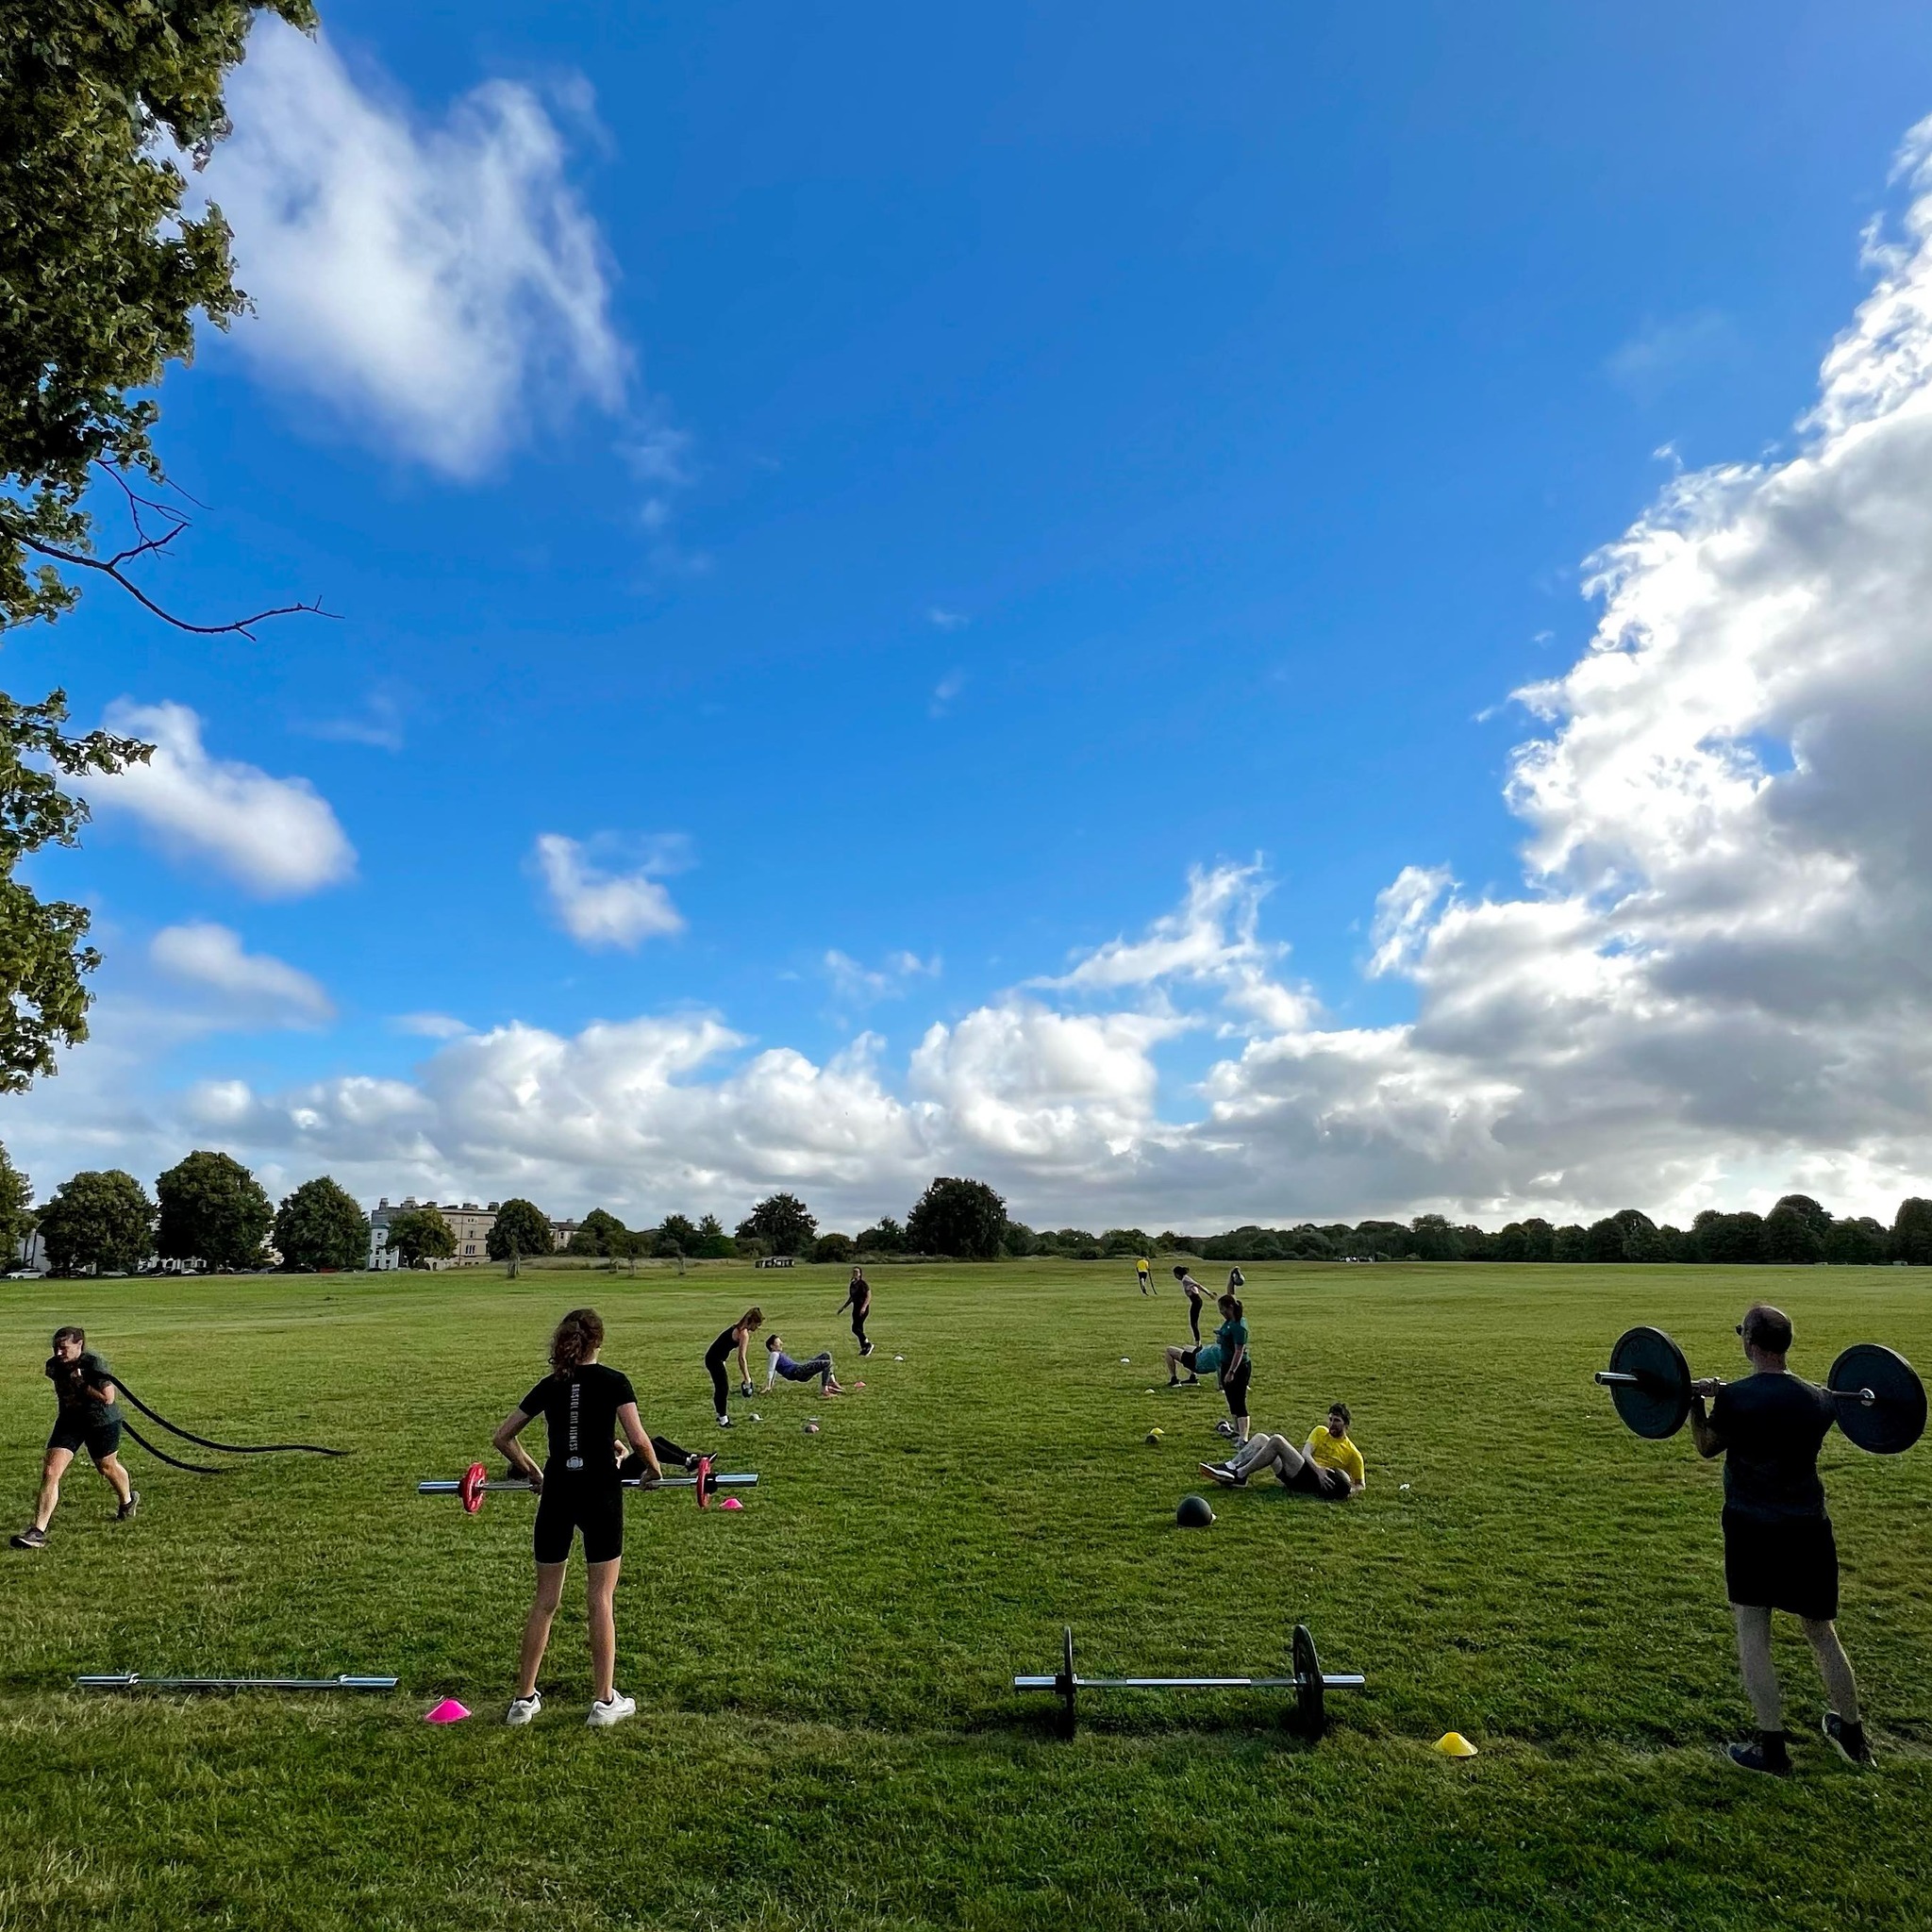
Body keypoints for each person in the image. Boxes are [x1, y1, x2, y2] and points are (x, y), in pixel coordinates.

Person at [1687, 1303, 1874, 1774]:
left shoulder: (1737, 1398)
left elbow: (1707, 1446)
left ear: (1749, 1342)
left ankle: (1772, 1751)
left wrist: (1695, 1402)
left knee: (1753, 1629)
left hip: (1752, 1528)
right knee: (1820, 1631)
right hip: (1809, 1528)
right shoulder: (1821, 1399)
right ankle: (1853, 1736)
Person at [493, 1308, 661, 1728]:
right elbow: (639, 1438)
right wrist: (653, 1468)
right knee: (600, 1598)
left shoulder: (553, 1384)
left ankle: (523, 1701)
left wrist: (535, 1471)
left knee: (545, 1601)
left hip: (559, 1493)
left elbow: (503, 1436)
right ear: (599, 1341)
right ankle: (604, 1703)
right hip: (599, 1492)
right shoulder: (614, 1381)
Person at [12, 1326, 138, 1550]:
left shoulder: (93, 1364)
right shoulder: (54, 1366)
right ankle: (37, 1531)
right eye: (55, 1348)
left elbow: (108, 1398)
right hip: (70, 1422)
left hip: (101, 1422)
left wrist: (81, 1384)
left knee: (106, 1467)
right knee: (51, 1471)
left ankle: (127, 1501)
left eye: (64, 1348)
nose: (58, 1353)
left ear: (79, 1345)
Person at [1201, 1404, 1363, 1499]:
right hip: (1303, 1471)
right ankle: (1230, 1466)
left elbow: (1360, 1485)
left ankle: (1240, 1475)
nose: (1332, 1424)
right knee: (1261, 1438)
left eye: (1337, 1421)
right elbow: (1306, 1453)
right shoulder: (1320, 1431)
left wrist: (1343, 1489)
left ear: (1346, 1425)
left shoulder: (1352, 1453)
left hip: (1313, 1484)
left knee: (1277, 1440)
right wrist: (1319, 1470)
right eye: (1330, 1419)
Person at [703, 1307, 762, 1428]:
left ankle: (720, 1415)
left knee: (720, 1387)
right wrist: (747, 1379)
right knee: (723, 1388)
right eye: (757, 1324)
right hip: (715, 1360)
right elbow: (741, 1358)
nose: (757, 1328)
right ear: (752, 1322)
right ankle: (724, 1420)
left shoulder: (737, 1327)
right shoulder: (743, 1334)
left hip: (714, 1358)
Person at [1213, 1291, 1252, 1445]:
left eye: (1222, 1309)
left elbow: (1239, 1351)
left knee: (1239, 1400)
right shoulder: (1229, 1322)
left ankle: (1244, 1437)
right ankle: (1236, 1431)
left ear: (1230, 1308)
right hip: (1225, 1364)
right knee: (1231, 1399)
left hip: (1238, 1367)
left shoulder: (1239, 1326)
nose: (1221, 1312)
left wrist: (1231, 1372)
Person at [763, 1333, 849, 1396]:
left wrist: (770, 1386)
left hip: (800, 1368)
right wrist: (768, 1385)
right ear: (772, 1346)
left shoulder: (777, 1354)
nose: (781, 1344)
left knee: (826, 1355)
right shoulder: (774, 1354)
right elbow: (771, 1370)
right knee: (827, 1363)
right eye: (778, 1343)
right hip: (797, 1372)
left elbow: (774, 1370)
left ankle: (832, 1382)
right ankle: (824, 1389)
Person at [838, 1268, 874, 1358]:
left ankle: (868, 1344)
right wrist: (844, 1307)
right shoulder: (853, 1284)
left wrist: (864, 1307)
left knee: (855, 1328)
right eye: (854, 1272)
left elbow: (868, 1296)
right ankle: (864, 1349)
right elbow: (852, 1298)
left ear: (860, 1274)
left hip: (862, 1309)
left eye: (857, 1272)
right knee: (859, 1328)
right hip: (855, 1308)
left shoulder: (863, 1284)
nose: (855, 1273)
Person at [1173, 1267, 1213, 1343]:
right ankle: (1197, 1341)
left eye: (1175, 1274)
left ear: (1178, 1274)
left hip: (1196, 1301)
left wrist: (1209, 1293)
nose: (1175, 1276)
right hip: (1195, 1301)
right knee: (1193, 1323)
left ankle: (1198, 1342)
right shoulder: (1185, 1279)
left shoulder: (1185, 1279)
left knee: (1193, 1323)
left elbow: (1198, 1285)